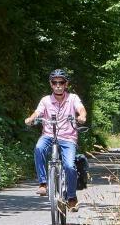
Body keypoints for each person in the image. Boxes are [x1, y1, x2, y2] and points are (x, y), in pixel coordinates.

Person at [24, 69, 87, 211]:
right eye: (55, 82)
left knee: (70, 166)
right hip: (48, 135)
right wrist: (31, 118)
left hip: (68, 137)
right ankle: (43, 183)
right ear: (51, 84)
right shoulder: (45, 100)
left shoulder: (73, 98)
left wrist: (82, 116)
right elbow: (37, 112)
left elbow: (81, 109)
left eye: (61, 82)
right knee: (39, 148)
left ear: (66, 84)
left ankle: (71, 197)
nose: (58, 85)